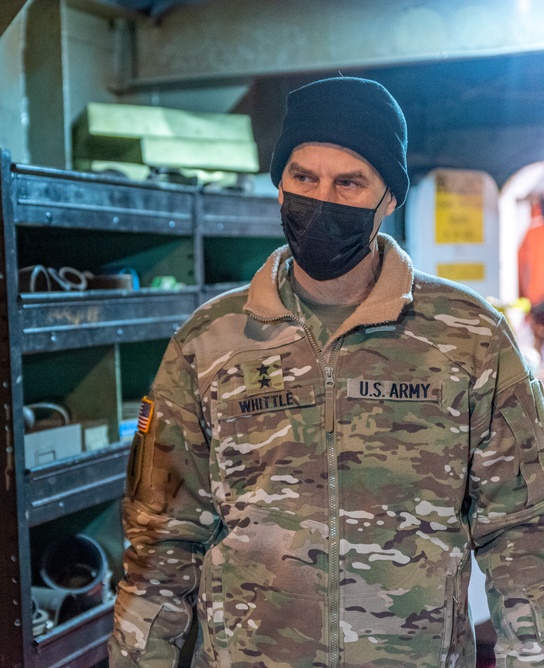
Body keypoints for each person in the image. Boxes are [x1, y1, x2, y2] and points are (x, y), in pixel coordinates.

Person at [109, 76, 544, 667]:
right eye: (303, 178)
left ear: (389, 197)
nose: (322, 199)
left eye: (349, 182)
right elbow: (160, 541)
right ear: (279, 186)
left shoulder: (469, 337)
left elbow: (522, 531)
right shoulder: (208, 343)